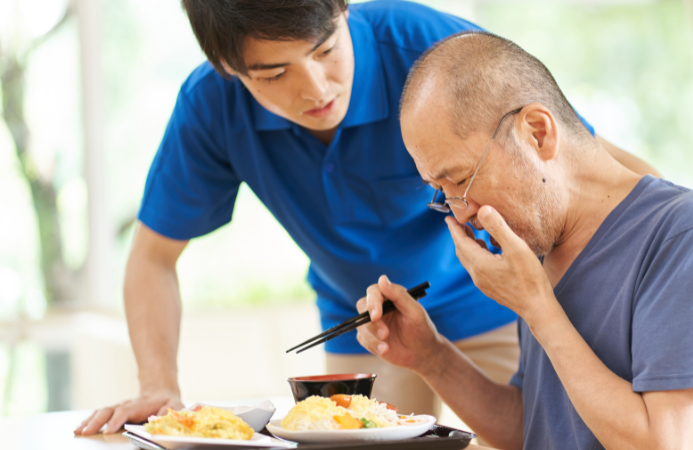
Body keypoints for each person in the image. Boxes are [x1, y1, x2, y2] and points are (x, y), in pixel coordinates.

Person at [75, 0, 659, 436]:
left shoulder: (436, 55)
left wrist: (686, 271)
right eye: (274, 75)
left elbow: (594, 168)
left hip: (503, 300)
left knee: (536, 436)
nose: (317, 88)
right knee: (344, 442)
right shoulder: (209, 106)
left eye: (326, 49)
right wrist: (157, 384)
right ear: (228, 70)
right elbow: (152, 257)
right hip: (367, 322)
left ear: (342, 9)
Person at [355, 31, 693, 449]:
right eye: (440, 191)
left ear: (537, 133)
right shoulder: (538, 248)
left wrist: (538, 308)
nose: (461, 212)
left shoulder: (688, 233)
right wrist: (433, 358)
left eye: (461, 179)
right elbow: (534, 428)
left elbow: (666, 444)